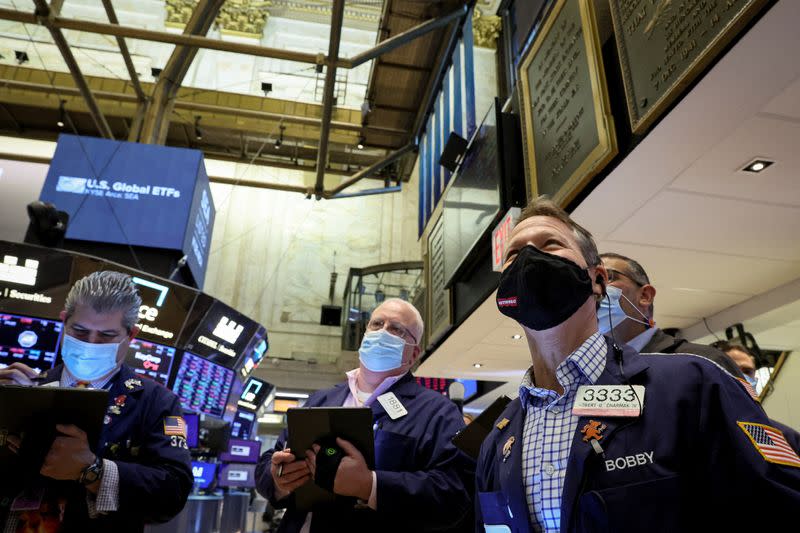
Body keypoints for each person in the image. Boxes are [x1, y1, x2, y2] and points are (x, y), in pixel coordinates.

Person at [475, 197, 800, 532]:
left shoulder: (692, 385)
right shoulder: (498, 439)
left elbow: (781, 505)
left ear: (597, 280)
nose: (529, 259)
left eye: (551, 244)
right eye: (514, 254)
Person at [255, 298, 474, 532]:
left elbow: (454, 492)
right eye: (377, 324)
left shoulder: (437, 412)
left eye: (396, 329)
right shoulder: (321, 399)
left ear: (413, 355)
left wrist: (370, 485)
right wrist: (279, 478)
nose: (382, 333)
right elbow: (270, 461)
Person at [0, 271, 193, 532]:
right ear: (63, 321)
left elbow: (173, 491)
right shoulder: (23, 387)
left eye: (106, 336)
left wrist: (93, 471)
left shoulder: (157, 402)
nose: (90, 343)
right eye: (79, 331)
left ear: (131, 335)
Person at [598, 252, 743, 377]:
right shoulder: (589, 370)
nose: (595, 288)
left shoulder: (704, 362)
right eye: (588, 280)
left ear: (645, 296)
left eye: (606, 278)